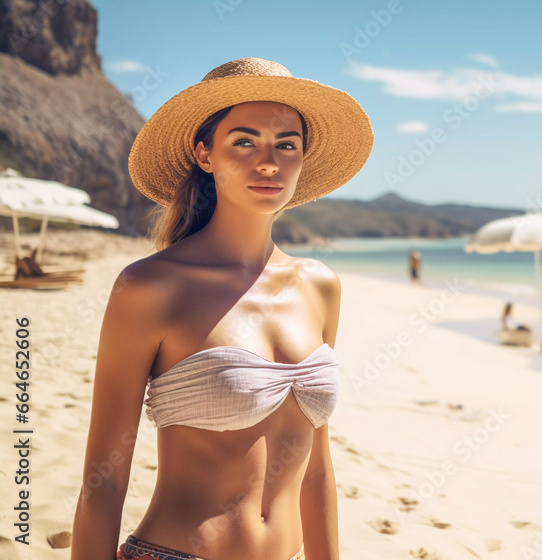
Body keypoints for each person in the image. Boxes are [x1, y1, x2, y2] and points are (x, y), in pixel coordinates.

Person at [71, 58, 374, 560]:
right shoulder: (151, 288)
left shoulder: (320, 285)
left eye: (286, 144)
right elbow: (103, 482)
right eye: (244, 141)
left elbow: (316, 466)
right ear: (205, 155)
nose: (269, 162)